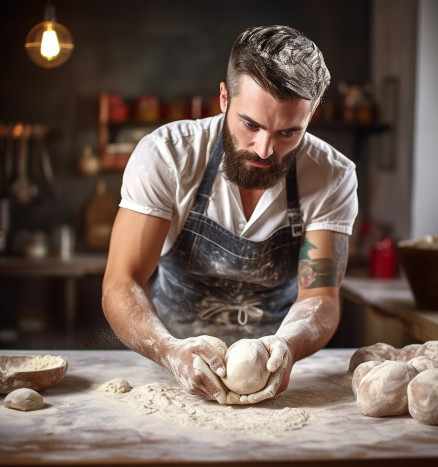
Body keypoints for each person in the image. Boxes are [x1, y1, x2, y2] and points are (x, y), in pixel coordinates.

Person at [102, 25, 358, 405]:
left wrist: (285, 347)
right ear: (224, 98)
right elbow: (122, 282)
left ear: (310, 117)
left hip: (276, 377)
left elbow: (321, 296)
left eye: (289, 133)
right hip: (168, 369)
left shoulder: (332, 174)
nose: (265, 149)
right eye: (250, 125)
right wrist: (168, 350)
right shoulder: (167, 156)